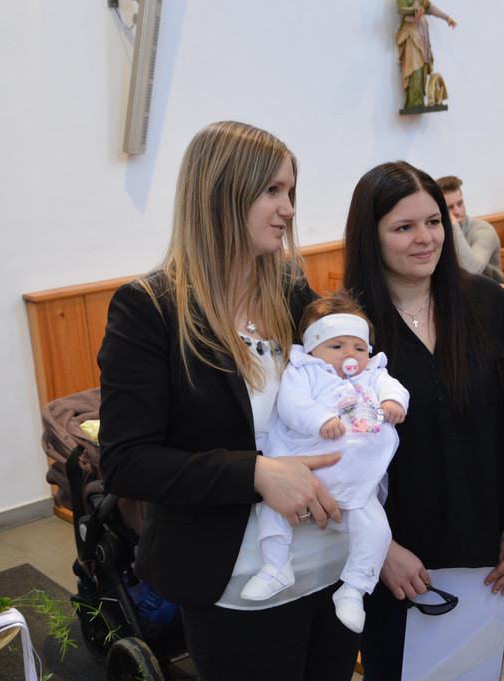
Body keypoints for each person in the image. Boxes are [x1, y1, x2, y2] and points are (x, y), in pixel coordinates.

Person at [97, 121, 359, 681]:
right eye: (271, 190)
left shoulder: (289, 290)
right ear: (221, 194)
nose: (288, 208)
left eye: (290, 191)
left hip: (331, 567)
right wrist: (256, 474)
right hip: (237, 584)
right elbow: (126, 460)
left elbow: (346, 381)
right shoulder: (151, 309)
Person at [343, 161, 504, 680]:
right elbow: (332, 459)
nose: (425, 238)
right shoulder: (346, 330)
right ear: (370, 236)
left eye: (434, 222)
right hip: (396, 561)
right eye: (404, 227)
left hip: (491, 550)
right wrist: (380, 550)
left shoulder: (488, 304)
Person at [242, 294, 410, 635]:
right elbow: (291, 403)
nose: (350, 355)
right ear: (313, 348)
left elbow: (393, 386)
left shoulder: (372, 372)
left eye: (359, 347)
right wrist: (319, 419)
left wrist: (393, 401)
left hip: (354, 477)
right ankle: (275, 566)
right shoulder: (304, 369)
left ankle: (354, 590)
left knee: (378, 531)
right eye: (337, 346)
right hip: (302, 466)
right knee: (271, 510)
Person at [436, 175, 504, 282]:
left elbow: (472, 270)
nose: (457, 211)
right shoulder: (438, 233)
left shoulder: (484, 230)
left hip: (488, 290)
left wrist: (454, 227)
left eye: (460, 203)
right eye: (450, 208)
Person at [396, 0, 456, 109]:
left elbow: (430, 8)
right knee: (414, 68)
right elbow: (403, 11)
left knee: (422, 69)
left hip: (422, 38)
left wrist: (446, 17)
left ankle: (419, 101)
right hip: (411, 37)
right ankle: (414, 102)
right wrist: (416, 13)